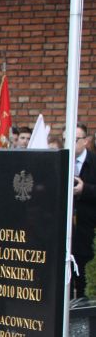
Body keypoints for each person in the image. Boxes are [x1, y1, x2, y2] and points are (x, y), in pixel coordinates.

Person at [72, 125, 96, 300]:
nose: (70, 143)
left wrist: (84, 189)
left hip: (87, 229)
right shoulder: (62, 162)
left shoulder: (94, 162)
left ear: (86, 141)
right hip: (66, 233)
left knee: (83, 283)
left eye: (75, 139)